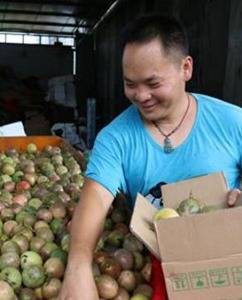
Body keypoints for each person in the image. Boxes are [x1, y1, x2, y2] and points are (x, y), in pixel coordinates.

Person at [59, 15, 242, 299]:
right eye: (130, 84)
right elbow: (95, 197)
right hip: (158, 265)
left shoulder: (232, 121)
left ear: (186, 68)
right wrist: (78, 266)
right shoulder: (115, 137)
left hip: (224, 262)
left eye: (153, 83)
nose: (141, 95)